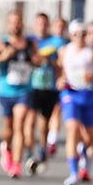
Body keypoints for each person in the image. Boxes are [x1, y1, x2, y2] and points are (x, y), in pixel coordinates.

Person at [0, 11, 37, 179]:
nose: (16, 25)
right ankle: (6, 147)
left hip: (24, 91)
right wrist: (2, 57)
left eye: (18, 22)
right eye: (12, 22)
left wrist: (37, 60)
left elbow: (38, 60)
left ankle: (16, 165)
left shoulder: (29, 44)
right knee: (8, 129)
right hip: (6, 91)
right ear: (8, 25)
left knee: (20, 125)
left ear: (22, 24)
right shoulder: (1, 43)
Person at [58, 20, 93, 185]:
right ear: (71, 35)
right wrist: (61, 80)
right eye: (76, 34)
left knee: (89, 136)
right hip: (71, 94)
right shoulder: (64, 51)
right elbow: (61, 71)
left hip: (90, 94)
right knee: (72, 129)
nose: (80, 37)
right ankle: (73, 172)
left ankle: (84, 153)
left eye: (83, 34)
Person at [26, 12, 65, 174]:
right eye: (39, 23)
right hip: (31, 87)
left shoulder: (56, 42)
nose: (41, 26)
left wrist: (51, 62)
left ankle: (42, 152)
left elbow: (62, 63)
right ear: (34, 24)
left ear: (48, 25)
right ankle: (29, 154)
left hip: (49, 88)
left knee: (43, 125)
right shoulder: (29, 41)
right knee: (28, 122)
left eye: (44, 23)